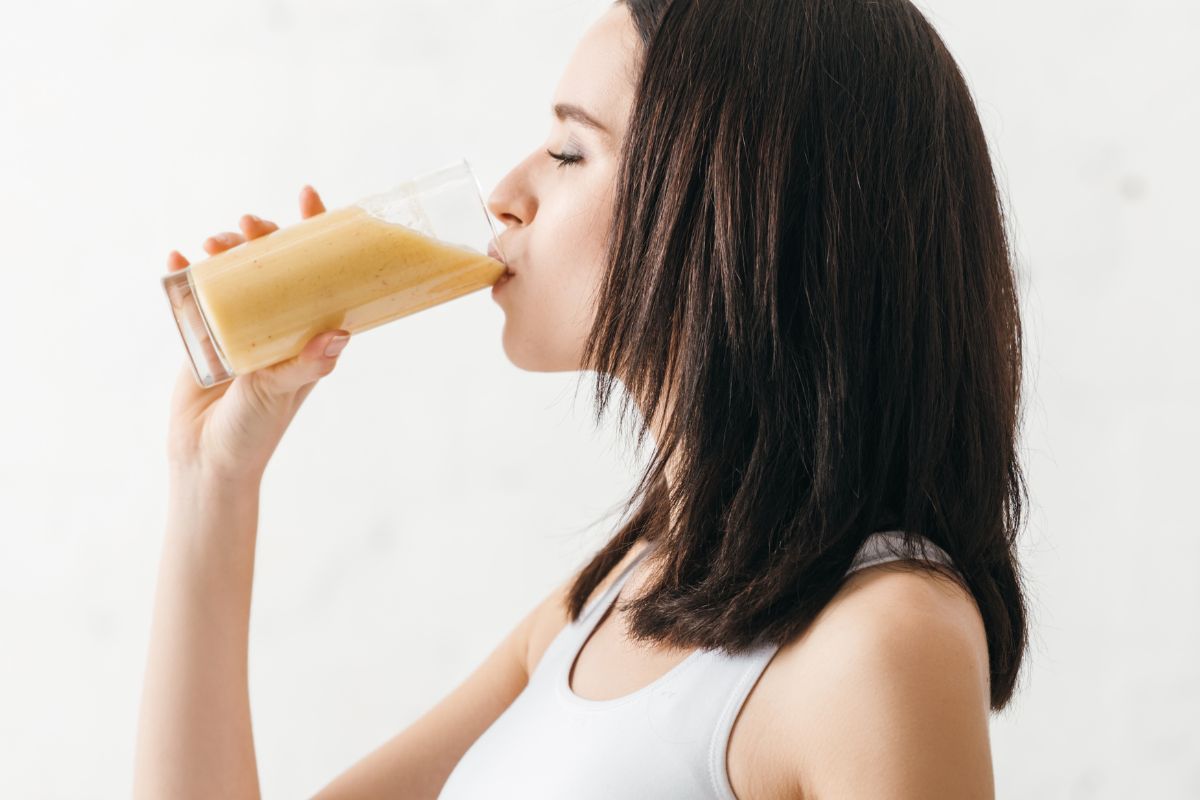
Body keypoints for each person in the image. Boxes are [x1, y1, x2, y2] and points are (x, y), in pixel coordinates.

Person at [133, 1, 1029, 798]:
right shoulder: (610, 602)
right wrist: (214, 482)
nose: (507, 197)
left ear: (739, 205)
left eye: (569, 151)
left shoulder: (880, 639)